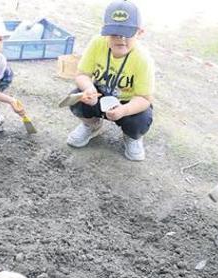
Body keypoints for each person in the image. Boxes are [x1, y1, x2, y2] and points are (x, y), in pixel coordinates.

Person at [66, 0, 155, 161]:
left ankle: (132, 137)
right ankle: (92, 125)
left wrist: (124, 110)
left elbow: (144, 98)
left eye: (127, 34)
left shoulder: (143, 59)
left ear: (139, 32)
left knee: (142, 119)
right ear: (105, 32)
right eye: (114, 33)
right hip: (99, 95)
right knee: (76, 98)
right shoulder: (97, 43)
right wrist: (88, 89)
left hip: (128, 102)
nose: (120, 39)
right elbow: (81, 74)